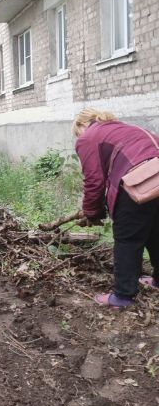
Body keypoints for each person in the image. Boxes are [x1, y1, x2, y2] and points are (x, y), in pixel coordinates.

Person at [73, 108, 159, 308]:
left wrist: (92, 213)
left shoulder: (88, 137)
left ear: (82, 125)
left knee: (128, 239)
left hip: (140, 183)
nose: (78, 138)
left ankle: (122, 296)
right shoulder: (128, 128)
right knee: (156, 234)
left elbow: (94, 181)